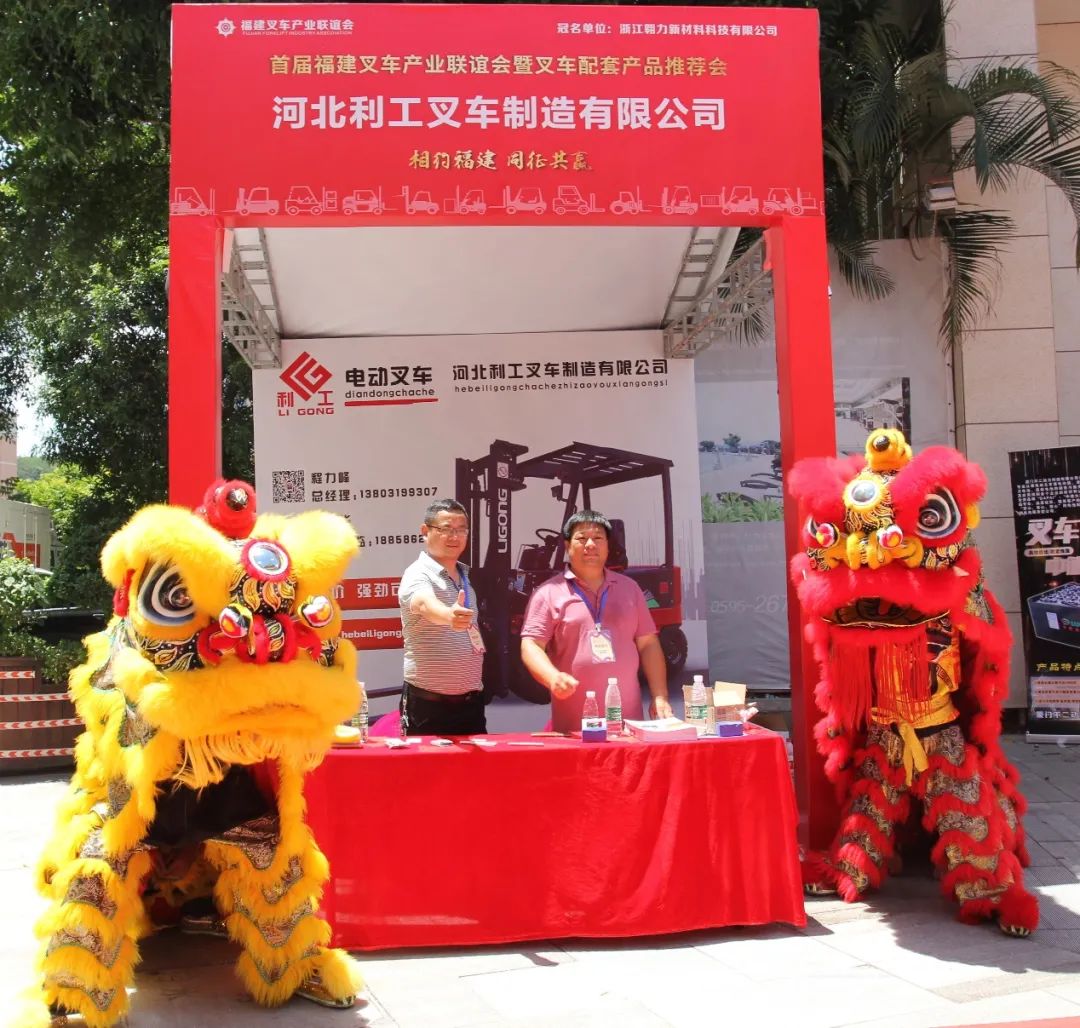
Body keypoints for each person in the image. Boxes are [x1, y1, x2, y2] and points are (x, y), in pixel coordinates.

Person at [520, 510, 672, 733]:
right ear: (567, 546)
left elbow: (648, 644)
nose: (590, 544)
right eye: (582, 538)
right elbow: (531, 645)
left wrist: (660, 696)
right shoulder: (548, 593)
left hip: (628, 726)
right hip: (573, 729)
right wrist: (552, 677)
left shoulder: (630, 589)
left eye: (598, 538)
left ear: (607, 546)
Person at [398, 498, 486, 735]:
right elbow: (423, 603)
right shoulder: (417, 573)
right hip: (428, 706)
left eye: (461, 529)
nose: (454, 536)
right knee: (426, 762)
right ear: (425, 531)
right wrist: (448, 615)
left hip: (470, 704)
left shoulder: (464, 576)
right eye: (446, 529)